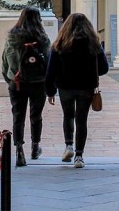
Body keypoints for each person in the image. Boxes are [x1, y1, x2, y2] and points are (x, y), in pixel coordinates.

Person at [45, 13, 109, 168]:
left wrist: (50, 91)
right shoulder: (93, 44)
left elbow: (51, 71)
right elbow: (104, 68)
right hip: (86, 86)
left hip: (65, 86)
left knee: (68, 116)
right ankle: (79, 156)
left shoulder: (60, 44)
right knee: (82, 120)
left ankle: (68, 145)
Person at [1, 6, 51, 167]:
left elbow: (5, 60)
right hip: (38, 82)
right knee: (36, 116)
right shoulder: (42, 38)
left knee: (18, 116)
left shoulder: (12, 37)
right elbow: (48, 61)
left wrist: (9, 78)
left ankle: (19, 150)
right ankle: (35, 147)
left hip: (17, 82)